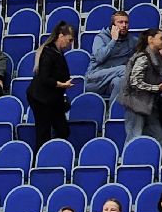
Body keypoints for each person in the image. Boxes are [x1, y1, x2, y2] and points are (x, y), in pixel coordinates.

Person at [120, 28, 162, 147]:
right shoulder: (142, 58)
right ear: (150, 39)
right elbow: (135, 82)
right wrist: (156, 88)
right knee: (134, 139)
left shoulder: (155, 57)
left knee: (159, 138)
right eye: (161, 38)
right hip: (136, 105)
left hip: (149, 105)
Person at [28, 22, 77, 150]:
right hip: (41, 99)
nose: (70, 44)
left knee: (63, 130)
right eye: (69, 40)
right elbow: (44, 78)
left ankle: (55, 152)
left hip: (53, 98)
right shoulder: (48, 53)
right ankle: (40, 158)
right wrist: (61, 84)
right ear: (61, 36)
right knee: (43, 133)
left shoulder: (57, 52)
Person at [87, 11, 134, 100]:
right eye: (120, 22)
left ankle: (113, 108)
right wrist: (113, 40)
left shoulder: (131, 41)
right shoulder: (101, 38)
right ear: (113, 25)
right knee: (124, 69)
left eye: (126, 22)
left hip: (112, 81)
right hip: (95, 80)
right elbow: (99, 58)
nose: (124, 25)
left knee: (119, 81)